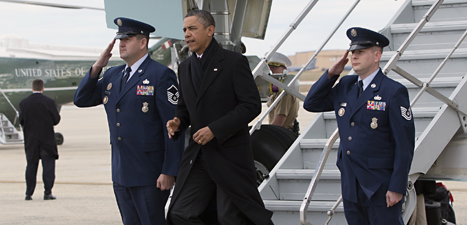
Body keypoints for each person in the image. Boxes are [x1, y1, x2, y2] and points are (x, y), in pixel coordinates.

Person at [166, 9, 274, 225]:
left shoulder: (233, 62)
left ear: (210, 30)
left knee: (230, 218)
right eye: (185, 30)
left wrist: (215, 129)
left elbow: (251, 105)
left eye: (192, 29)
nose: (187, 34)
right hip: (198, 156)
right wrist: (178, 122)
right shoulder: (185, 67)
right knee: (180, 213)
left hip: (229, 156)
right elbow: (185, 107)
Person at [74, 17, 184, 225]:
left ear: (143, 43)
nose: (121, 44)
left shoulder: (160, 75)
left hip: (149, 174)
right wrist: (97, 67)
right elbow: (81, 99)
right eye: (119, 39)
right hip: (121, 173)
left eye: (127, 39)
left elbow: (173, 127)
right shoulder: (112, 75)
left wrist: (169, 171)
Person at [303, 27, 415, 225]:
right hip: (351, 184)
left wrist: (397, 187)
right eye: (352, 52)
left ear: (377, 55)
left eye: (361, 52)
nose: (354, 57)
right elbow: (311, 103)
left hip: (380, 186)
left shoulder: (393, 91)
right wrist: (331, 74)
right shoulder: (346, 86)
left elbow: (404, 145)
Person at [19, 79, 61, 201]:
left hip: (31, 140)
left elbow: (21, 121)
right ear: (42, 88)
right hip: (47, 139)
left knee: (31, 165)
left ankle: (29, 193)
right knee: (48, 166)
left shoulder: (23, 103)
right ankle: (48, 192)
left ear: (32, 88)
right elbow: (56, 120)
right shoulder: (49, 102)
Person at [266, 52, 300, 134]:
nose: (271, 70)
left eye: (274, 67)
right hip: (280, 133)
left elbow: (278, 123)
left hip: (282, 135)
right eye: (268, 68)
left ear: (284, 70)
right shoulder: (276, 90)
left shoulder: (284, 92)